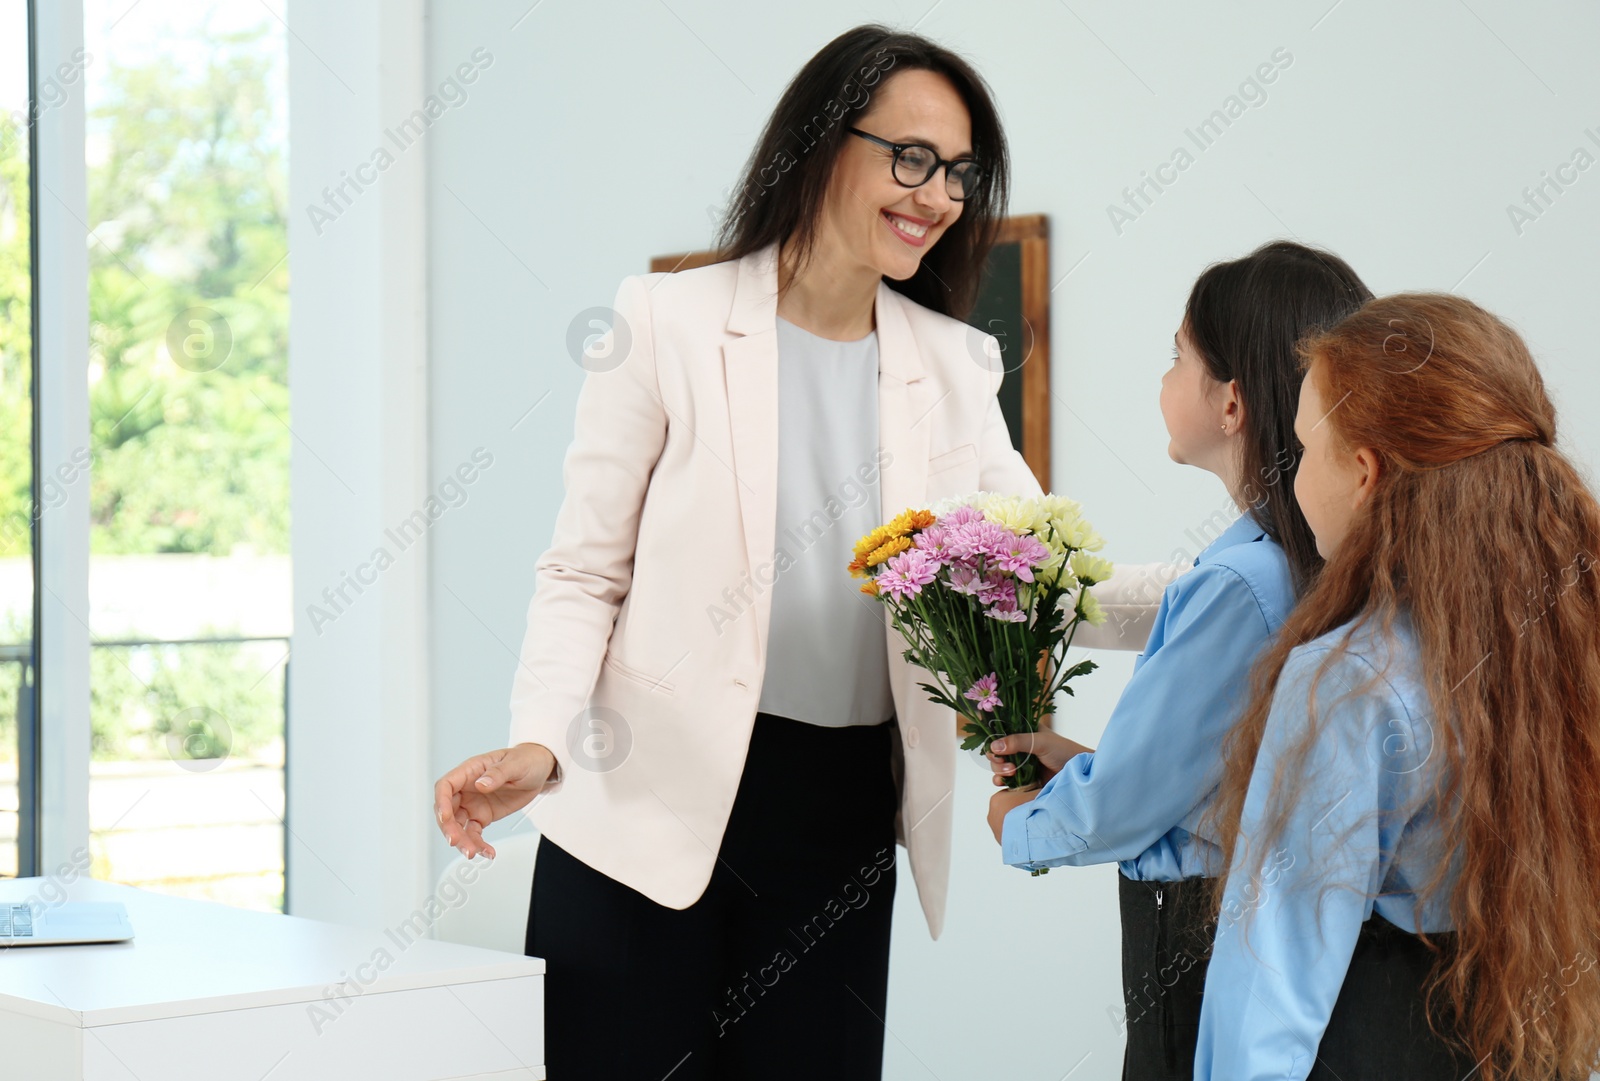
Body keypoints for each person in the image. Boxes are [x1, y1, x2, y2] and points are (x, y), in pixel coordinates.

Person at [432, 24, 1170, 1080]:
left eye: (959, 172)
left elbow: (1045, 580)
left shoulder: (956, 365)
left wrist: (1246, 585)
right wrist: (540, 743)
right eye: (909, 157)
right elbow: (584, 570)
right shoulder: (668, 322)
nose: (937, 194)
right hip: (641, 803)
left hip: (838, 814)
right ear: (824, 145)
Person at [985, 241, 1373, 1079]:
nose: (1163, 379)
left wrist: (1024, 822)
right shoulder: (1320, 565)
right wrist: (1094, 764)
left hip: (1190, 940)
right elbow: (1233, 777)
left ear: (1231, 402)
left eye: (1177, 357)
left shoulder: (1239, 582)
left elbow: (1121, 807)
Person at [1195, 293, 1600, 1080]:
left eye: (1306, 446)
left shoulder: (1350, 679)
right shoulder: (1572, 648)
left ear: (1366, 472)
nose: (1295, 470)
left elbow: (1271, 973)